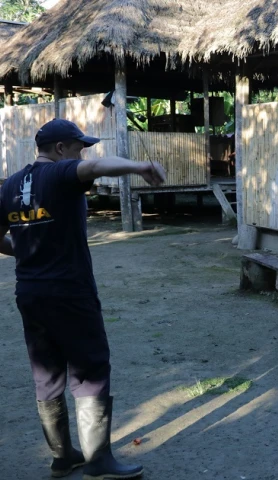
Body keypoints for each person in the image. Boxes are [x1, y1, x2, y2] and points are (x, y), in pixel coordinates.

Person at [0, 119, 166, 479]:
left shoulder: (10, 184)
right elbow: (93, 167)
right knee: (90, 368)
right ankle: (98, 461)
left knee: (47, 373)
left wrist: (26, 251)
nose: (82, 154)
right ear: (61, 149)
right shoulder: (60, 174)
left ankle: (63, 457)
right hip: (69, 292)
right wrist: (140, 166)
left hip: (30, 292)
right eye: (79, 147)